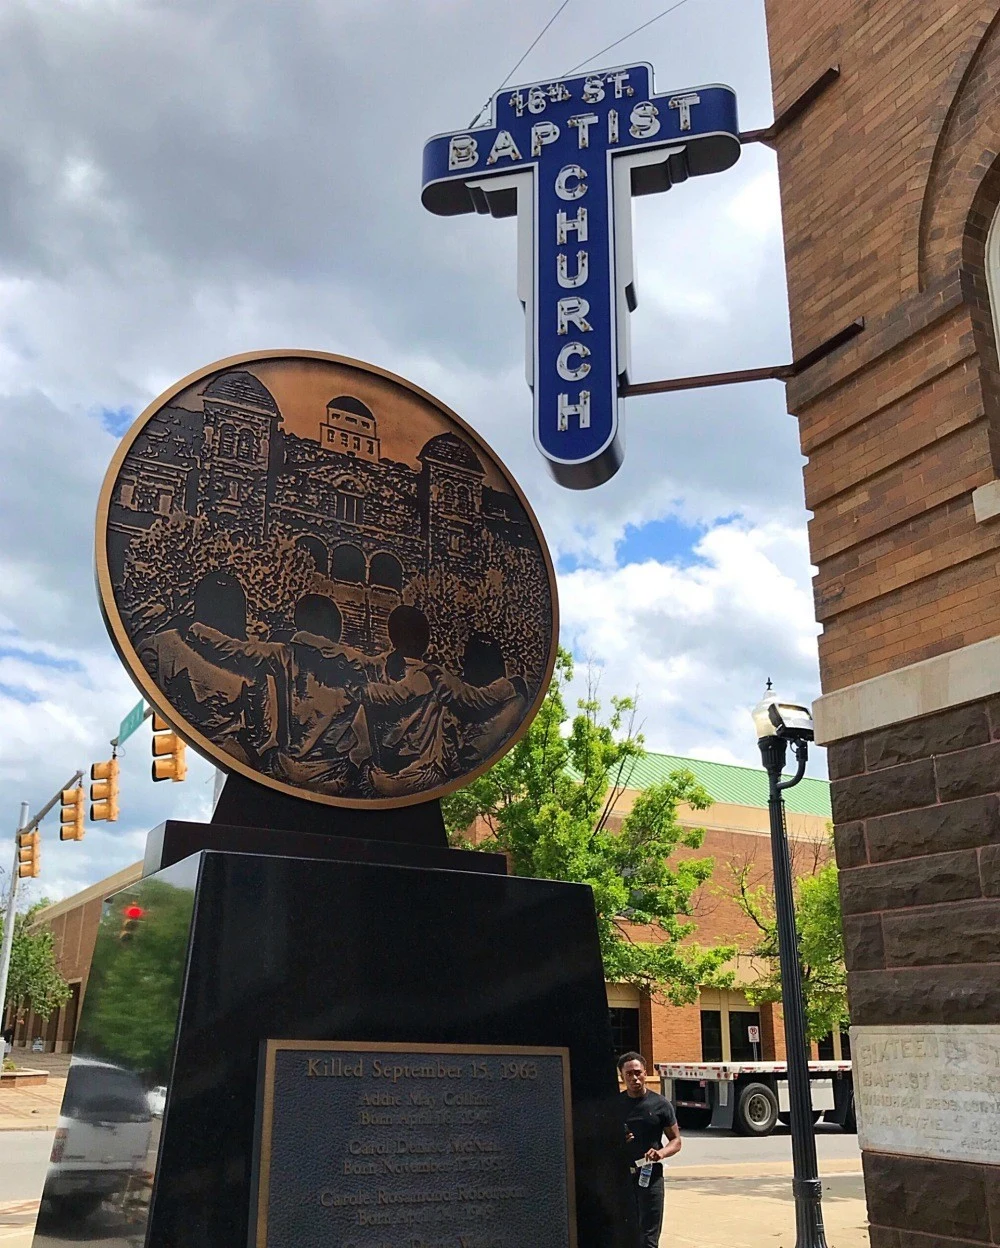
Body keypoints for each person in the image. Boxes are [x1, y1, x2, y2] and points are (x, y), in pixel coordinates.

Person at [618, 1050, 681, 1248]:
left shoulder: (660, 1104)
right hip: (621, 1179)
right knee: (625, 1235)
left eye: (638, 1072)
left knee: (648, 1238)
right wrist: (618, 1139)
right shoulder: (614, 1105)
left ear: (645, 1073)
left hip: (650, 1176)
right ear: (622, 1076)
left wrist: (660, 1153)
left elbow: (676, 1141)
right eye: (629, 1074)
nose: (634, 1078)